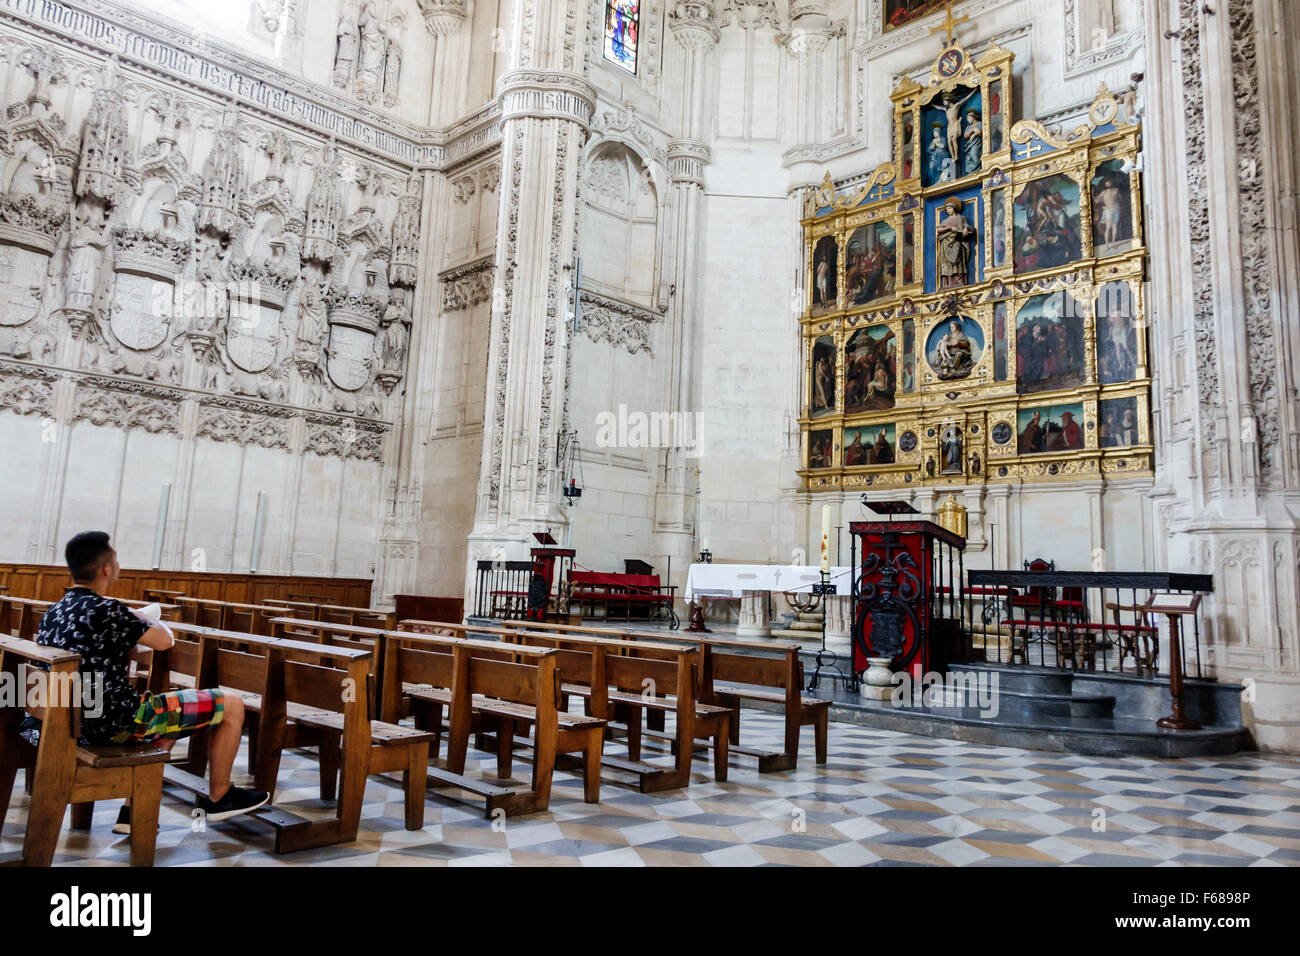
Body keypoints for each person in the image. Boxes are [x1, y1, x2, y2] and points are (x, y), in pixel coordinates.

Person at [37, 532, 269, 834]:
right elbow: (164, 641)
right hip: (118, 724)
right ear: (106, 568)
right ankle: (220, 796)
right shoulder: (109, 609)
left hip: (73, 722)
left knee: (168, 717)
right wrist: (138, 615)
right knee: (233, 704)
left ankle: (132, 814)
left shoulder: (53, 611)